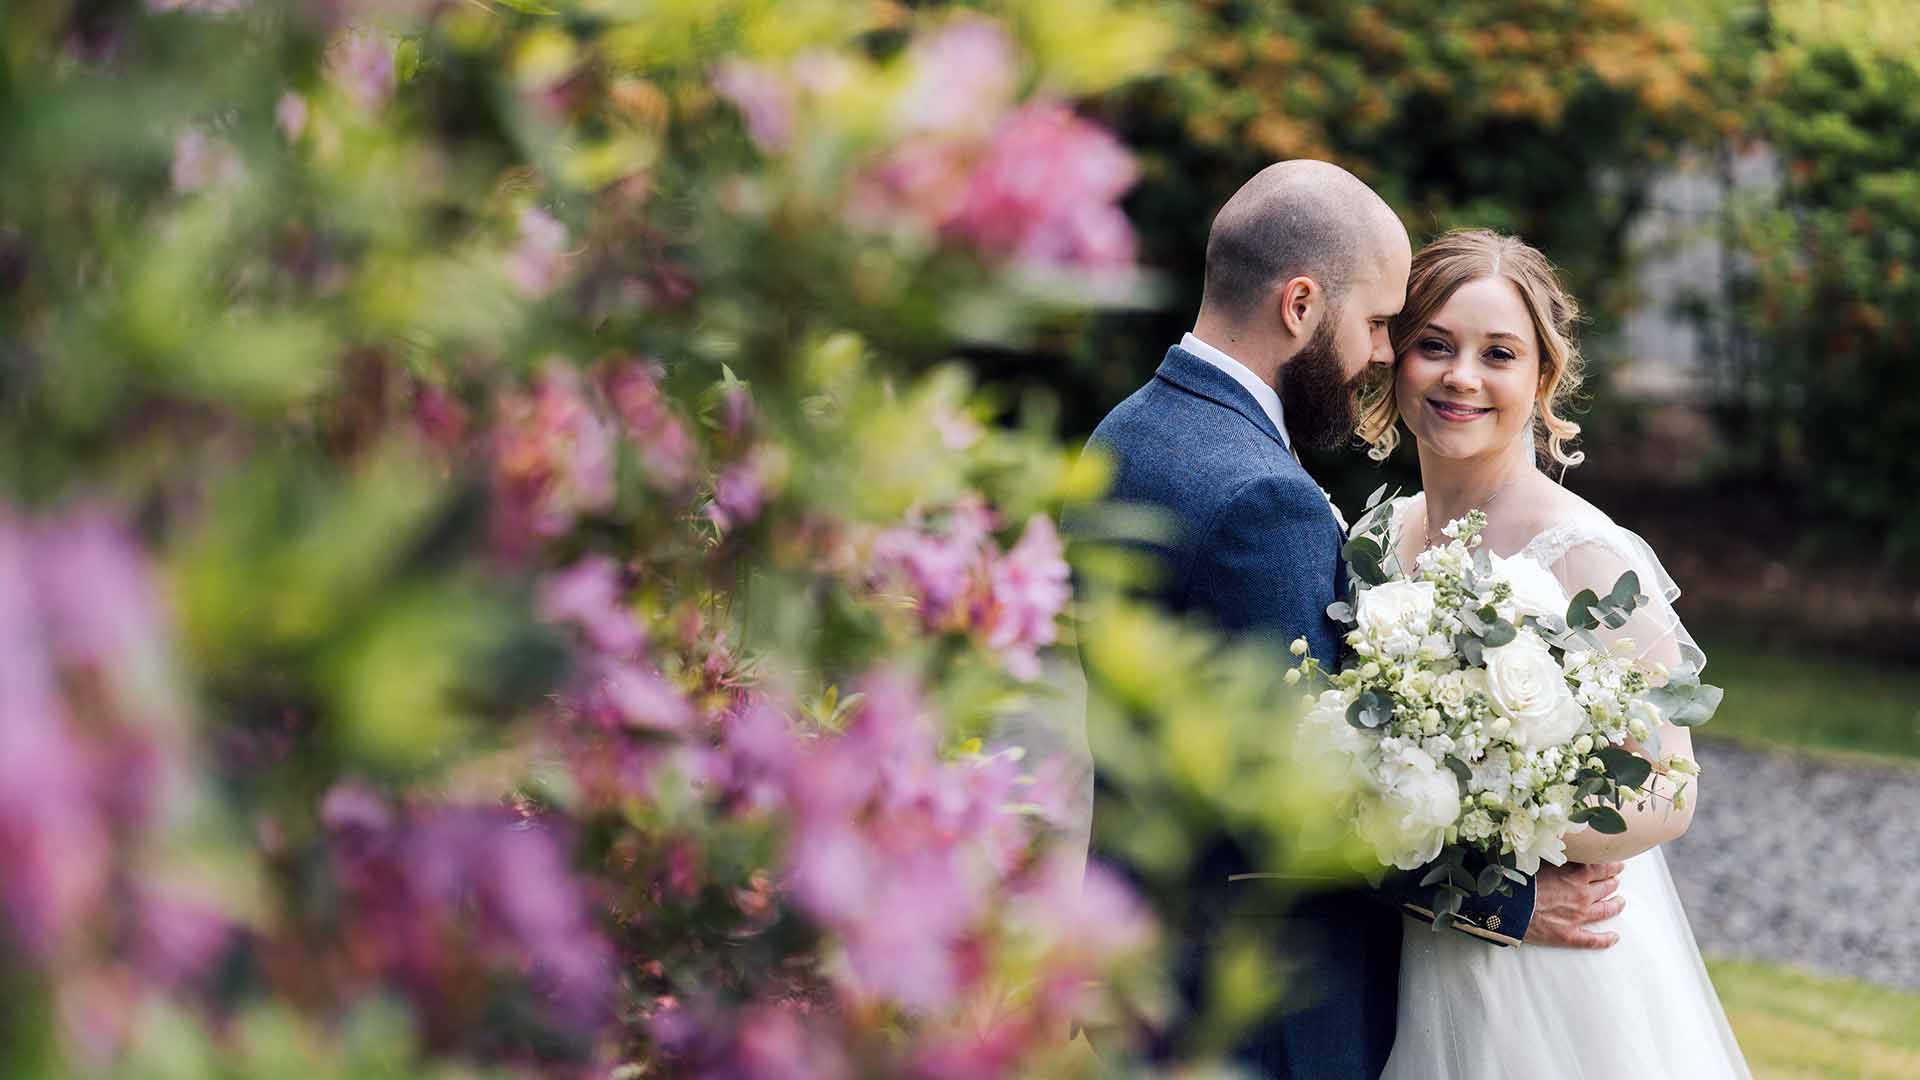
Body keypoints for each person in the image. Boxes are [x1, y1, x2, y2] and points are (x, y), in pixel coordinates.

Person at [1071, 162, 1625, 1077]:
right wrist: (1506, 907)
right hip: (1274, 997)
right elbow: (1297, 797)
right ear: (1300, 305)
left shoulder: (1124, 434)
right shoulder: (1265, 498)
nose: (1380, 353)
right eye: (1377, 323)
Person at [1355, 228, 1750, 1078]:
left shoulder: (1587, 555)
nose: (1462, 376)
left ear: (1541, 379)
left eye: (1498, 353)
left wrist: (1493, 839)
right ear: (1396, 361)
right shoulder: (1380, 536)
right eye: (1435, 346)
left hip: (1551, 962)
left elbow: (1669, 790)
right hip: (1406, 951)